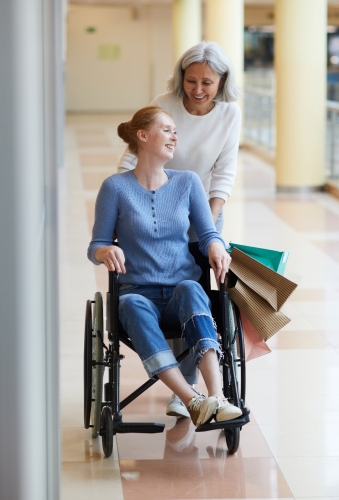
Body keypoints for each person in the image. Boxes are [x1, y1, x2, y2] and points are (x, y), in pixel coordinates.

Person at [88, 106, 242, 427]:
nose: (175, 136)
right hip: (137, 294)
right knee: (130, 303)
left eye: (175, 130)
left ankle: (218, 397)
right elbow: (96, 245)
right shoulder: (115, 188)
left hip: (179, 293)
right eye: (167, 130)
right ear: (143, 136)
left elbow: (207, 233)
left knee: (191, 287)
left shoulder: (188, 182)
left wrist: (215, 244)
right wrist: (104, 252)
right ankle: (191, 400)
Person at [117, 41, 241, 419]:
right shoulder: (164, 103)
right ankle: (183, 386)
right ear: (180, 78)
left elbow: (224, 170)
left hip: (200, 204)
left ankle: (185, 392)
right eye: (191, 81)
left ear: (222, 82)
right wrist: (127, 195)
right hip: (154, 202)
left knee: (193, 291)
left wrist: (209, 223)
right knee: (157, 285)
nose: (198, 90)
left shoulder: (229, 114)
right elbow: (135, 150)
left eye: (208, 82)